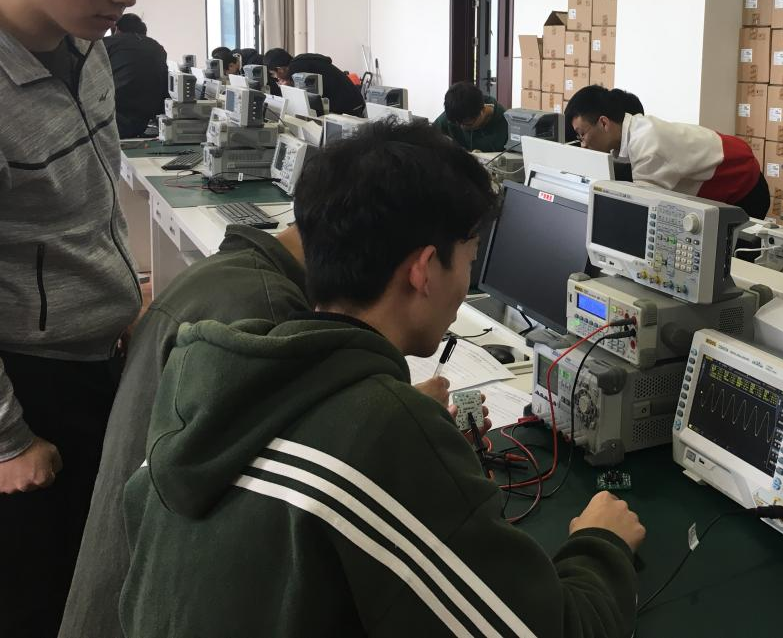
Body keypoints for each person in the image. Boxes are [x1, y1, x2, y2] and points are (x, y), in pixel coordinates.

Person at [121, 121, 644, 637]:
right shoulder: (382, 432)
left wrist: (397, 423)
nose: (466, 282)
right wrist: (602, 542)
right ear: (423, 270)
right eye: (468, 259)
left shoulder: (211, 377)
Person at [59, 218, 457, 638]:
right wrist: (395, 415)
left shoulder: (230, 274)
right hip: (138, 601)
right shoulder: (267, 317)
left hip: (129, 584)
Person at [0, 0, 172, 638]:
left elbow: (91, 199)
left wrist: (123, 290)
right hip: (33, 384)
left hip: (103, 355)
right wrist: (9, 440)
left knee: (103, 570)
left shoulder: (86, 45)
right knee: (40, 594)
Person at [566, 84, 770, 218]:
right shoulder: (633, 131)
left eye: (582, 134)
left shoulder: (647, 146)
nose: (582, 144)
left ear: (604, 123)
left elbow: (644, 211)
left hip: (745, 185)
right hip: (724, 174)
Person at [102, 12, 167, 138]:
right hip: (146, 119)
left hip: (112, 118)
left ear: (117, 29)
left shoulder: (106, 44)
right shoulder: (157, 47)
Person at [264, 47, 365, 116]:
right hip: (354, 102)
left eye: (273, 74)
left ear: (280, 69)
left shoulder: (297, 68)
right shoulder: (300, 63)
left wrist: (289, 88)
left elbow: (305, 103)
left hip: (349, 109)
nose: (275, 78)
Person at [433, 80, 510, 152]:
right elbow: (430, 138)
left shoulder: (505, 124)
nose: (462, 127)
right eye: (457, 124)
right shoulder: (454, 115)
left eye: (468, 124)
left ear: (482, 110)